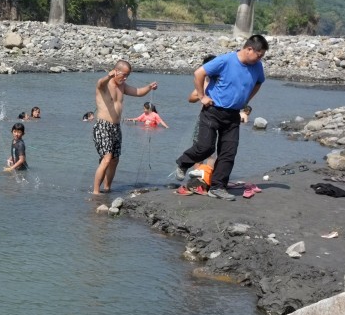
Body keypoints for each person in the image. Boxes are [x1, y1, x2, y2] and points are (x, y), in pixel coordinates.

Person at [173, 34, 268, 201]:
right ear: (249, 49)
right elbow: (199, 73)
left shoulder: (257, 66)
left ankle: (218, 187)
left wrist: (246, 100)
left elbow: (259, 82)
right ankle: (183, 163)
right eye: (258, 55)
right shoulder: (226, 60)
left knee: (228, 153)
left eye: (262, 56)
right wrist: (202, 96)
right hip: (213, 110)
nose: (259, 59)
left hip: (232, 115)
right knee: (205, 147)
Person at [91, 60, 159, 195]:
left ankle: (107, 188)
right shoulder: (105, 85)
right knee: (107, 158)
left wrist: (149, 87)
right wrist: (109, 76)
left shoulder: (122, 86)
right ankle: (96, 192)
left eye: (128, 75)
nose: (125, 78)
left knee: (115, 160)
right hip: (103, 126)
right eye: (124, 75)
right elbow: (99, 83)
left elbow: (138, 92)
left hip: (116, 127)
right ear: (116, 71)